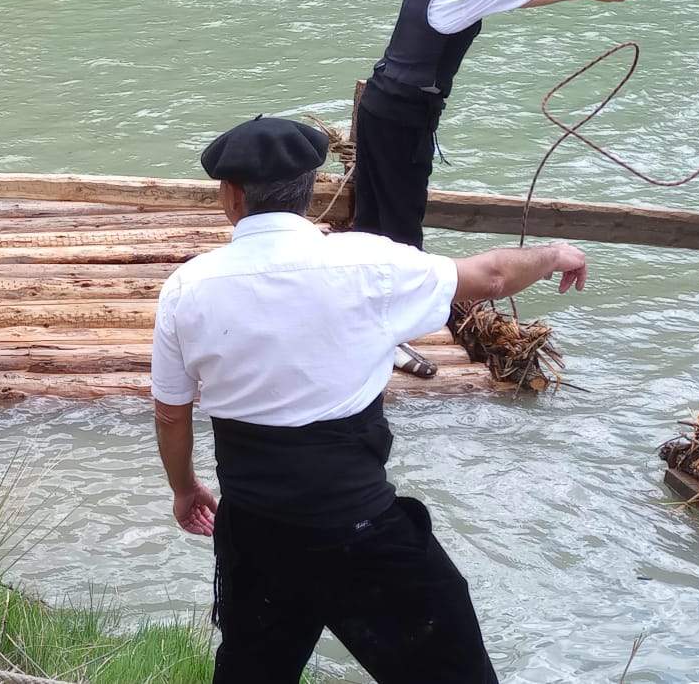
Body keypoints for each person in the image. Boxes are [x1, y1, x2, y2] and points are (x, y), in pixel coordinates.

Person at [150, 115, 591, 683]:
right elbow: (494, 277)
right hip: (359, 529)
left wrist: (185, 490)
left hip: (256, 535)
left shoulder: (188, 288)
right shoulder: (371, 264)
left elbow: (171, 412)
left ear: (230, 195)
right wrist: (555, 253)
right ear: (310, 191)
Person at [353, 0, 636, 377]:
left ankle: (365, 311)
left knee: (373, 217)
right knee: (401, 228)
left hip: (382, 107)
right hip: (403, 120)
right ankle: (385, 337)